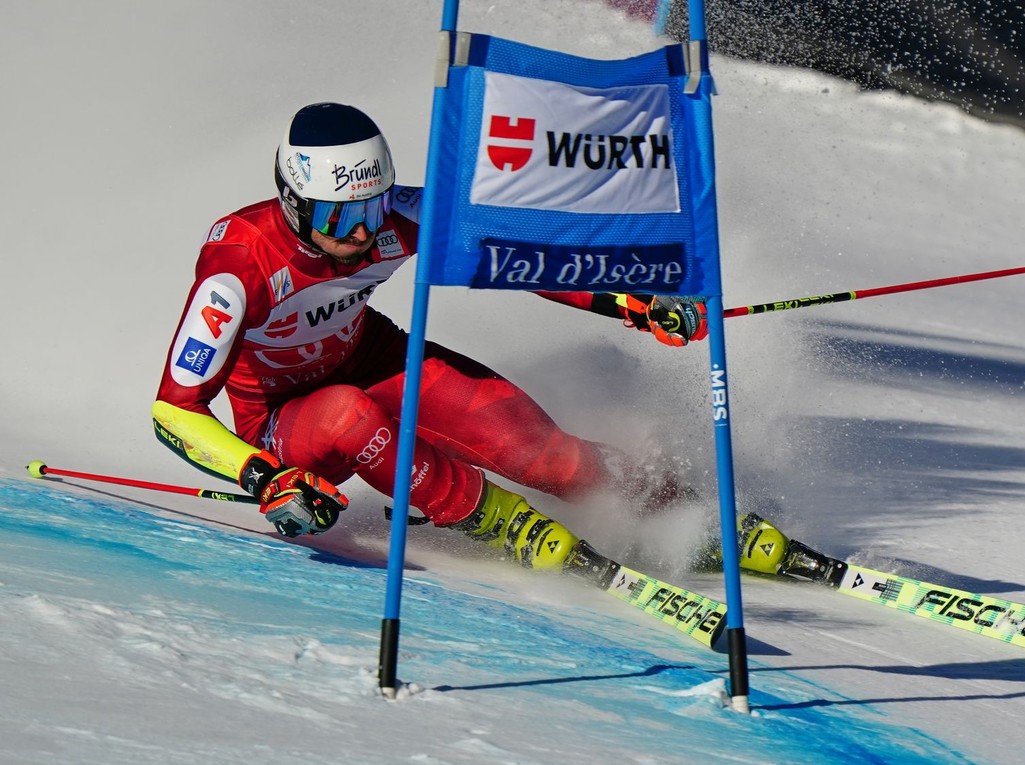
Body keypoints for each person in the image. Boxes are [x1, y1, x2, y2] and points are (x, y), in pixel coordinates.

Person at [152, 102, 715, 572]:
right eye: (334, 217)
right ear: (293, 202)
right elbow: (175, 411)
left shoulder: (398, 217)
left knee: (542, 455)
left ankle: (665, 501)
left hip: (369, 358)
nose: (360, 233)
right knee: (345, 414)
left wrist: (624, 298)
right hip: (285, 425)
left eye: (371, 209)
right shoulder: (238, 266)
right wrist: (264, 477)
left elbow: (515, 255)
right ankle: (494, 517)